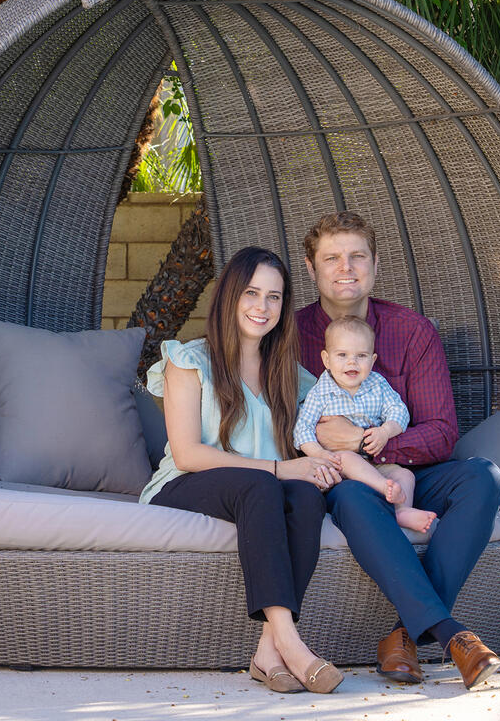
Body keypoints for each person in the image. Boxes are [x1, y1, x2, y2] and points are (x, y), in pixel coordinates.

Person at [296, 211, 500, 691]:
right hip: (339, 480)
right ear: (311, 269)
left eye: (357, 256)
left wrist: (368, 443)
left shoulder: (412, 331)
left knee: (485, 478)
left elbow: (441, 431)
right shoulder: (286, 337)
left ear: (375, 264)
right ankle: (451, 634)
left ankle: (402, 636)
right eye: (331, 258)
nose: (345, 267)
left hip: (411, 473)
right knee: (353, 497)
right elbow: (276, 425)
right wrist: (343, 459)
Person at [138, 246, 345, 694]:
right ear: (230, 296)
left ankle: (267, 651)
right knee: (264, 485)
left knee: (307, 496)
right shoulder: (188, 360)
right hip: (183, 484)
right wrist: (281, 466)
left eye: (274, 297)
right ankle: (292, 643)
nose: (262, 306)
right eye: (251, 293)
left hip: (258, 490)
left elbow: (327, 435)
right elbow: (189, 454)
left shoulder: (292, 375)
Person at [293, 314, 437, 534]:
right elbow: (302, 428)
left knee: (405, 475)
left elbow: (399, 411)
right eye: (342, 355)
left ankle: (402, 511)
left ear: (373, 359)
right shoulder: (320, 393)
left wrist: (385, 432)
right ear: (327, 359)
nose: (352, 362)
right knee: (348, 457)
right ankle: (383, 488)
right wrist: (319, 454)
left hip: (375, 462)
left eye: (361, 355)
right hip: (338, 466)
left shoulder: (378, 384)